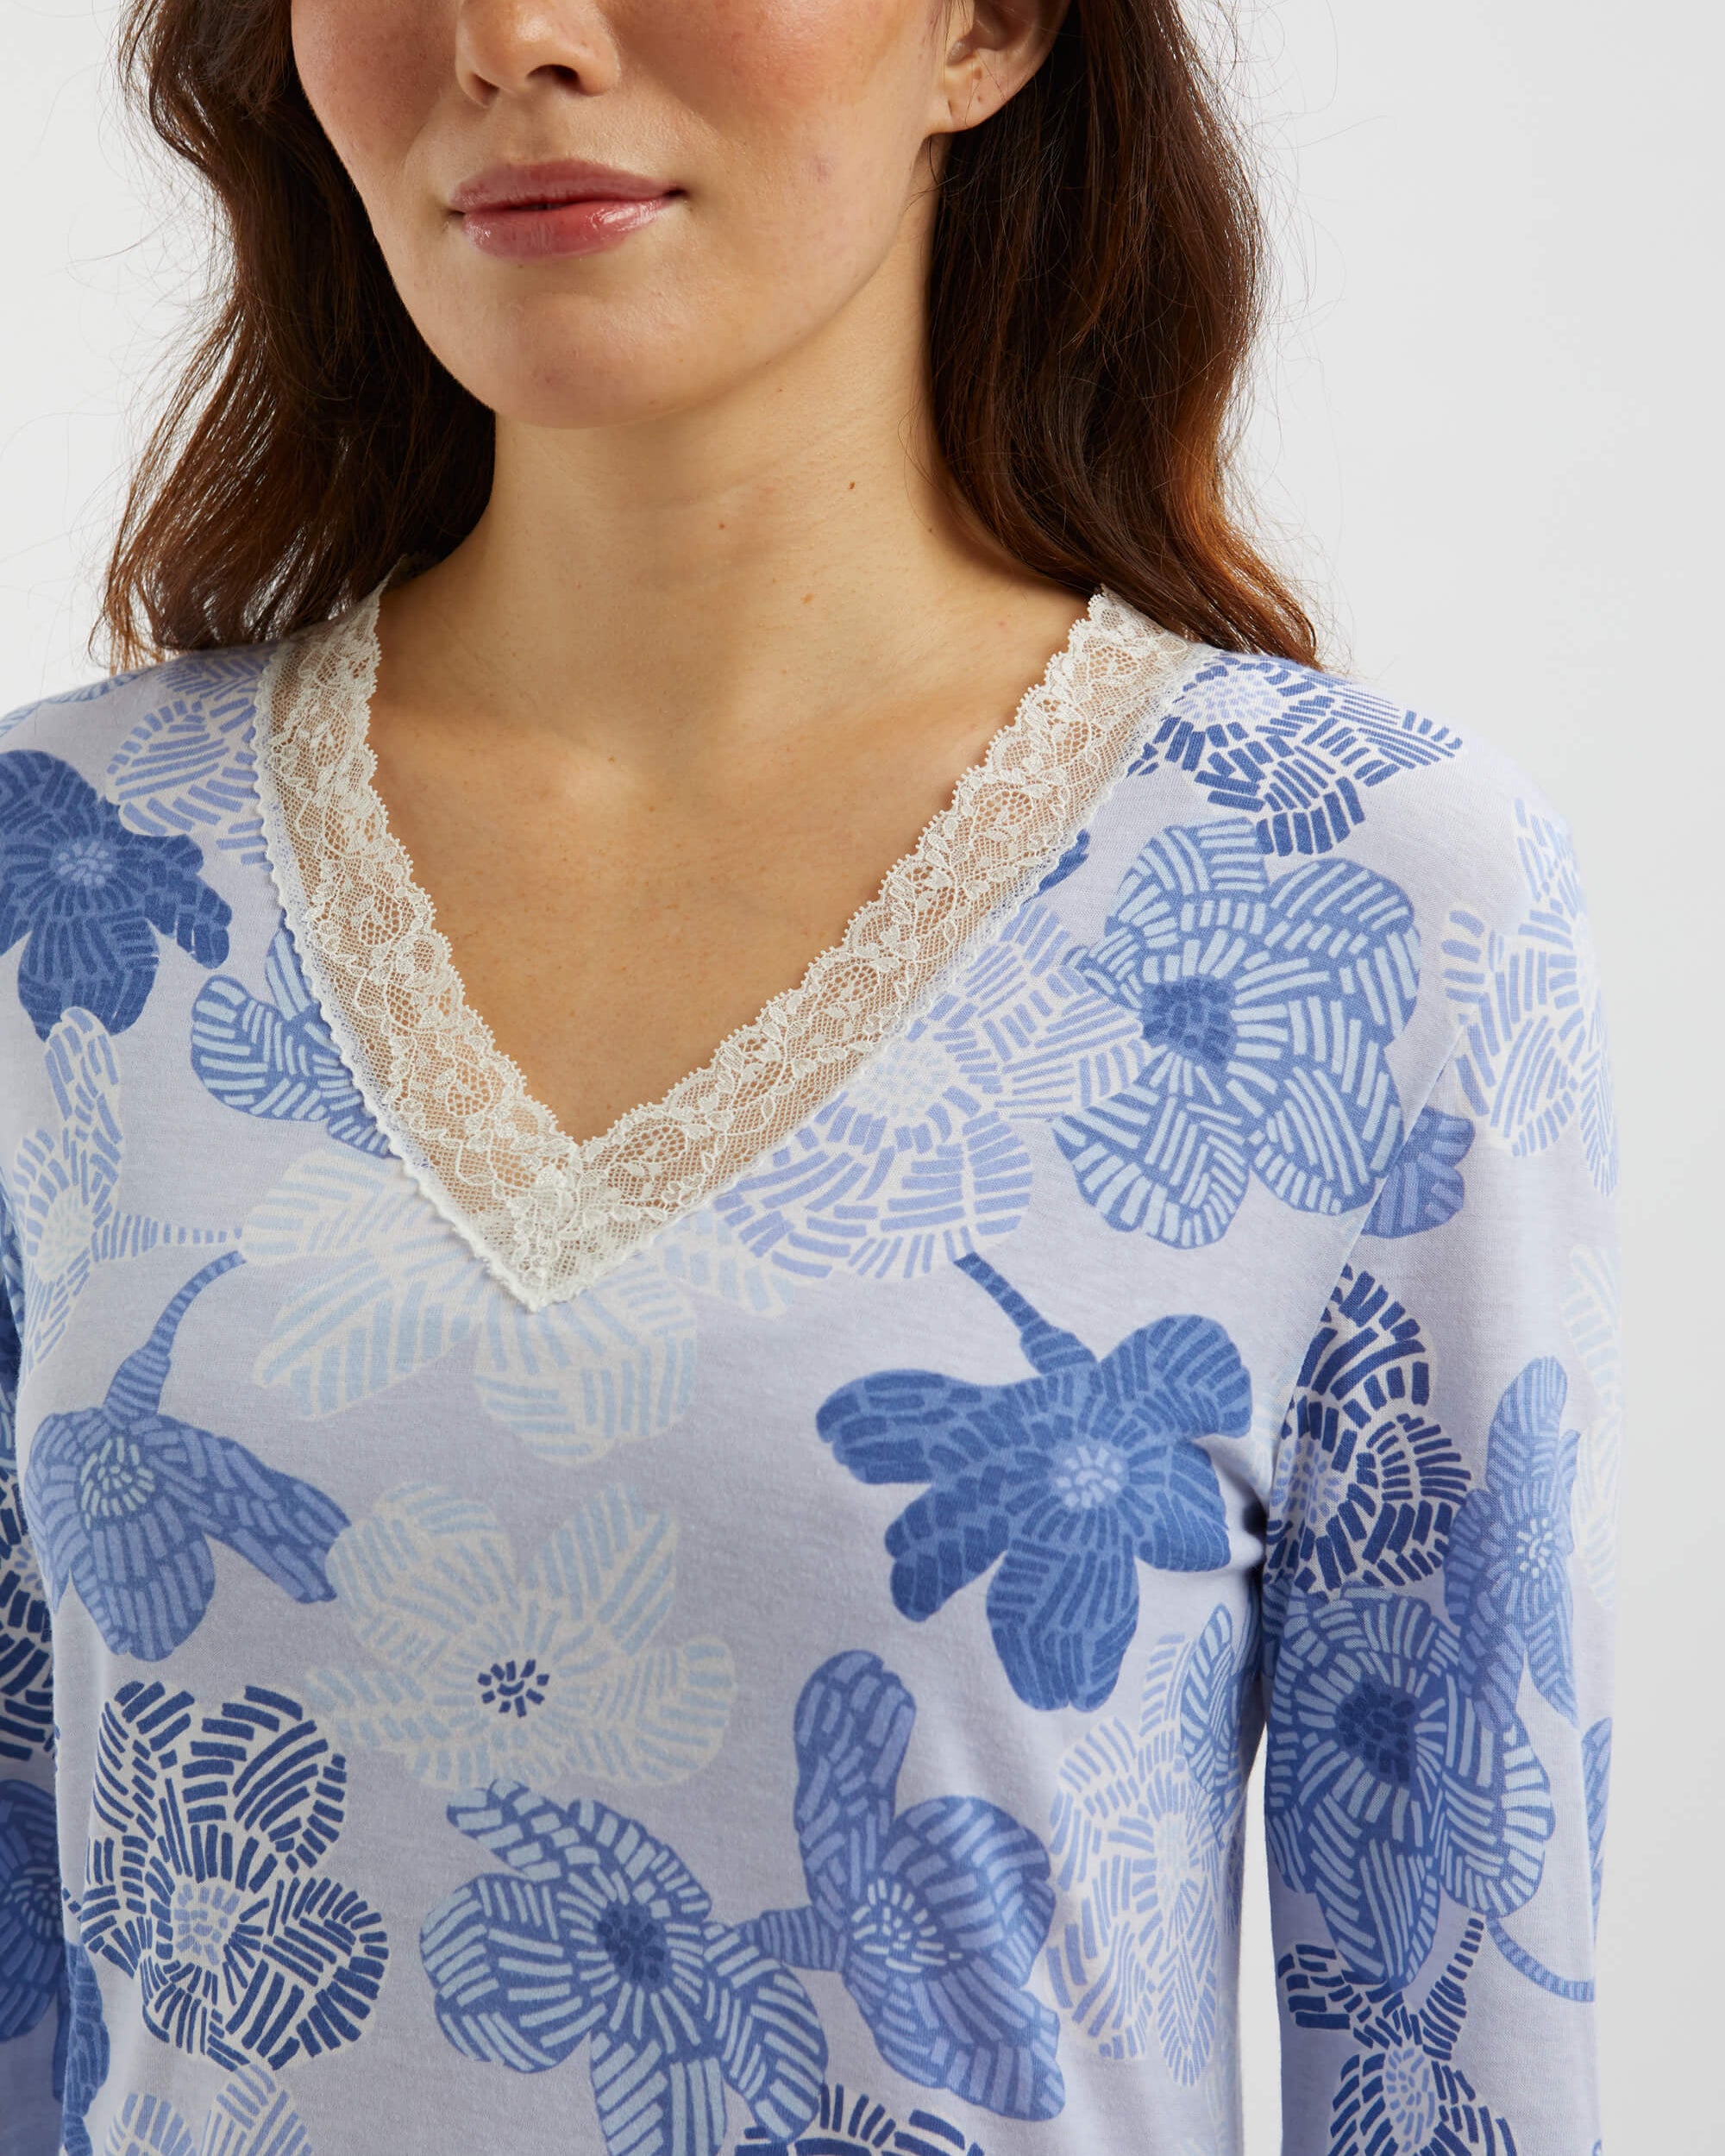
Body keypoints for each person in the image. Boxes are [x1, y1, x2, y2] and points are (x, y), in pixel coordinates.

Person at [0, 0, 1620, 2151]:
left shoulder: (1364, 894)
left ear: (989, 26)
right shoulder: (70, 889)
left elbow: (1452, 2046)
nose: (511, 35)